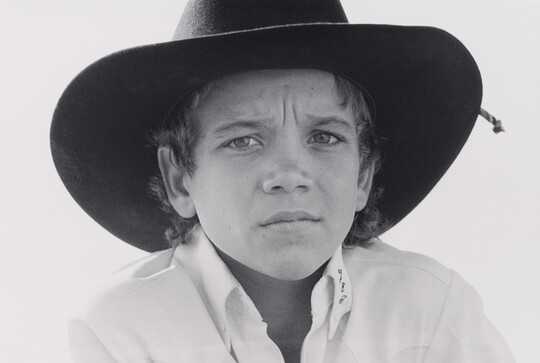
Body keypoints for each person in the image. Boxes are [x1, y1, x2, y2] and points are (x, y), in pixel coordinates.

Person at [51, 0, 514, 362]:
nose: (290, 176)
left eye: (325, 137)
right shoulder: (120, 330)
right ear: (179, 177)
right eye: (243, 141)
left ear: (364, 173)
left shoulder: (429, 308)